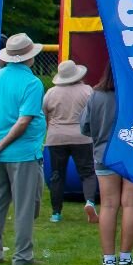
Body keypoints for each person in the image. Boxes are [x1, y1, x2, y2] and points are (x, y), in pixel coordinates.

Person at [0, 33, 48, 265]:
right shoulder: (32, 83)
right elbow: (23, 121)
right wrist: (3, 144)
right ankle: (22, 256)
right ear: (29, 58)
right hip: (22, 153)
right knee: (25, 207)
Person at [77, 71, 133, 265]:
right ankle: (125, 257)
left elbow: (84, 127)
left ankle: (108, 259)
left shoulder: (95, 95)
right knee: (131, 204)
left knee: (107, 205)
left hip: (103, 154)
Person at [41, 60, 97, 224]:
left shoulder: (51, 93)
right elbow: (93, 114)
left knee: (57, 175)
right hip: (82, 137)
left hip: (56, 137)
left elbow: (44, 116)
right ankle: (89, 202)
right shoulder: (87, 91)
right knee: (87, 172)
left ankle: (56, 213)